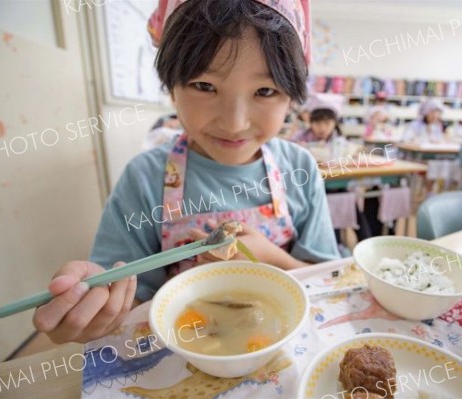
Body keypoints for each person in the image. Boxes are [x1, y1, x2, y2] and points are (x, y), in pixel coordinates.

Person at [33, 0, 340, 344]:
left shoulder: (299, 168)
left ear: (292, 97)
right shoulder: (145, 177)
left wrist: (269, 258)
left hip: (285, 346)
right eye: (205, 86)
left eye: (265, 91)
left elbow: (330, 280)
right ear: (171, 86)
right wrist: (99, 306)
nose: (234, 123)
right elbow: (128, 296)